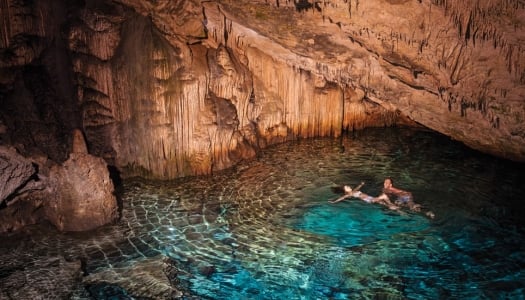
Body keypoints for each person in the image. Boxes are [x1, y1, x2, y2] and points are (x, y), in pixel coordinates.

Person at [329, 182, 399, 210]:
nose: (348, 186)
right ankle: (391, 205)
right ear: (346, 191)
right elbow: (342, 197)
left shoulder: (353, 191)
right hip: (368, 199)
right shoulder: (349, 194)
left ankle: (392, 207)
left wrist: (361, 184)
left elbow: (357, 188)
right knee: (384, 196)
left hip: (370, 198)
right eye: (347, 187)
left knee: (383, 203)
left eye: (347, 186)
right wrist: (335, 201)